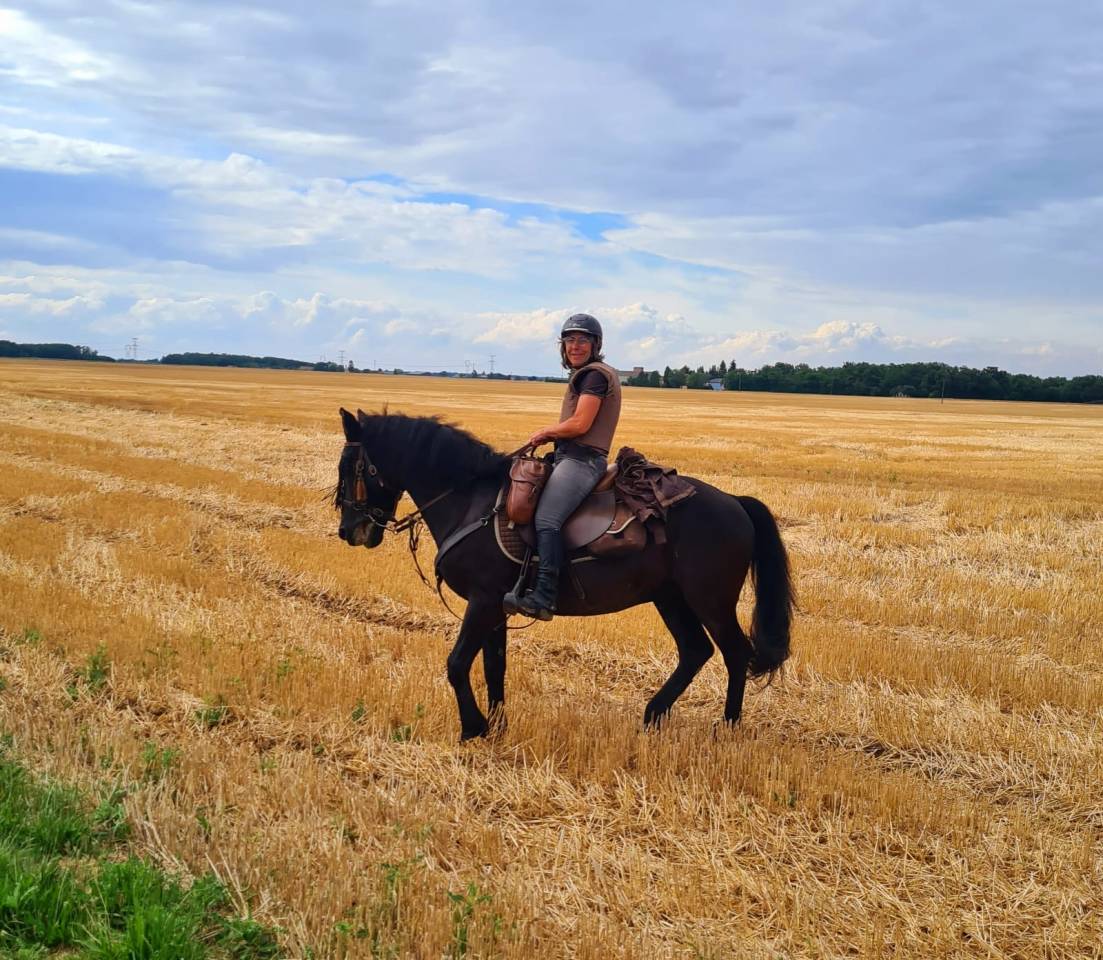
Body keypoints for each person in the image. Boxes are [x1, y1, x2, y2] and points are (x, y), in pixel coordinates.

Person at [504, 313, 622, 620]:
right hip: (569, 457)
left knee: (547, 519)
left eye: (583, 340)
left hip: (582, 461)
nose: (575, 346)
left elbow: (581, 423)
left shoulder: (594, 375)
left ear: (595, 345)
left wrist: (547, 432)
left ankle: (545, 595)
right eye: (569, 340)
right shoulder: (588, 374)